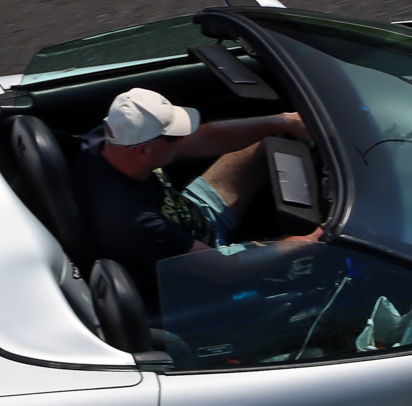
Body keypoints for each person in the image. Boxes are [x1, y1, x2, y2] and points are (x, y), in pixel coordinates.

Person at [69, 87, 321, 290]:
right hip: (204, 265)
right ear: (143, 151)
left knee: (272, 142)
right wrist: (311, 239)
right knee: (314, 260)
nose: (181, 140)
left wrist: (285, 122)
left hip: (191, 213)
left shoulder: (105, 140)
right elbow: (224, 269)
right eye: (172, 137)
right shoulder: (135, 222)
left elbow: (205, 138)